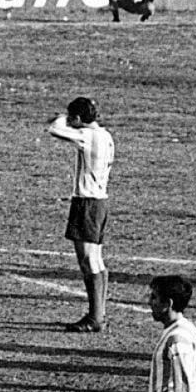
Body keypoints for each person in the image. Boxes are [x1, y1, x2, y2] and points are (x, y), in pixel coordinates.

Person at [48, 97, 115, 333]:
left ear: (78, 118)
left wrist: (62, 118)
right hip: (100, 201)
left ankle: (96, 317)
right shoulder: (106, 135)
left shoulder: (87, 136)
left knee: (88, 260)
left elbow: (54, 129)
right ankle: (99, 314)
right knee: (96, 259)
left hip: (87, 202)